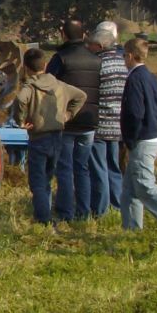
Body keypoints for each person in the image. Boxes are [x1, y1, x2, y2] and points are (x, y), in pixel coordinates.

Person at [14, 47, 87, 226]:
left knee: (38, 182)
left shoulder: (30, 87)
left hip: (38, 138)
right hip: (58, 137)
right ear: (45, 65)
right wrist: (68, 115)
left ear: (25, 67)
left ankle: (43, 218)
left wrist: (20, 120)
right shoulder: (59, 85)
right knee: (59, 176)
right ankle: (66, 214)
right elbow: (81, 95)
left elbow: (20, 99)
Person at [119, 37, 157, 233]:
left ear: (129, 56)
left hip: (142, 139)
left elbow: (135, 113)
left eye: (123, 56)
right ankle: (131, 229)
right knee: (129, 189)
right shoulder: (151, 77)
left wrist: (130, 138)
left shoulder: (135, 79)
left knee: (145, 186)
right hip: (153, 135)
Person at [46, 20, 100, 221]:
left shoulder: (60, 59)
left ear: (63, 35)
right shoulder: (96, 60)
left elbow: (48, 86)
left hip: (66, 122)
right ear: (84, 35)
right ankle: (84, 212)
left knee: (65, 169)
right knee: (82, 168)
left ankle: (65, 212)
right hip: (89, 121)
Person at [89, 22, 127, 215]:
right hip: (118, 124)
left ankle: (100, 210)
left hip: (101, 123)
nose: (90, 49)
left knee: (99, 168)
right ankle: (118, 205)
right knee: (114, 166)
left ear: (100, 47)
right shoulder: (124, 63)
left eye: (92, 46)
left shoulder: (98, 64)